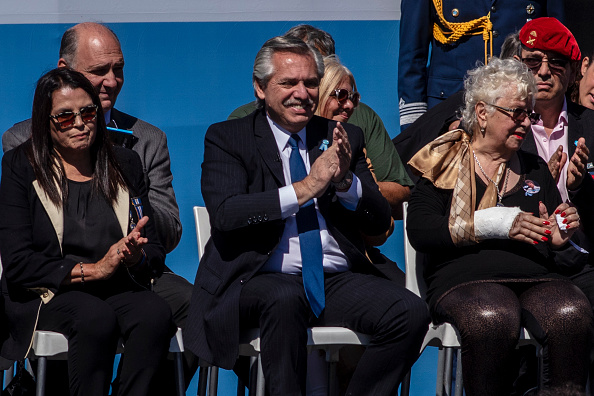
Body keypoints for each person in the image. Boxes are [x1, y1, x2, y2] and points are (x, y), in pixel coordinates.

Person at [185, 36, 430, 396]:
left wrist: (347, 180)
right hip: (257, 278)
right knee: (284, 299)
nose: (302, 93)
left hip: (333, 279)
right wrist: (305, 188)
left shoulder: (341, 136)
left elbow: (379, 223)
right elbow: (226, 213)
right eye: (288, 83)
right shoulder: (229, 137)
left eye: (311, 83)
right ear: (260, 87)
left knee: (409, 312)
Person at [1, 22, 197, 393]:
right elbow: (19, 258)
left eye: (89, 114)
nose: (79, 124)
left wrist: (135, 253)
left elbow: (159, 237)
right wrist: (93, 269)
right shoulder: (20, 156)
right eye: (64, 117)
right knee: (95, 317)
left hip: (125, 279)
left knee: (160, 311)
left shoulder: (130, 157)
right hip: (54, 285)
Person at [407, 58, 593, 395]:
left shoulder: (534, 167)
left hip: (536, 277)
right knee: (492, 314)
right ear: (482, 113)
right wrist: (494, 224)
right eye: (516, 113)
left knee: (571, 310)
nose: (525, 123)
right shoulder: (445, 161)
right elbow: (420, 230)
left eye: (529, 114)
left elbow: (552, 229)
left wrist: (560, 234)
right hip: (464, 279)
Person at [229, 24, 413, 221]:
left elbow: (398, 195)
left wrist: (349, 183)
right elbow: (233, 206)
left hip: (347, 239)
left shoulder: (359, 121)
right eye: (292, 75)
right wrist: (311, 186)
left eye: (315, 71)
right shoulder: (243, 123)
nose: (303, 87)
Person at [398, 0, 565, 131]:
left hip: (520, 110)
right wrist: (415, 126)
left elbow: (557, 42)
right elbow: (412, 54)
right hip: (451, 112)